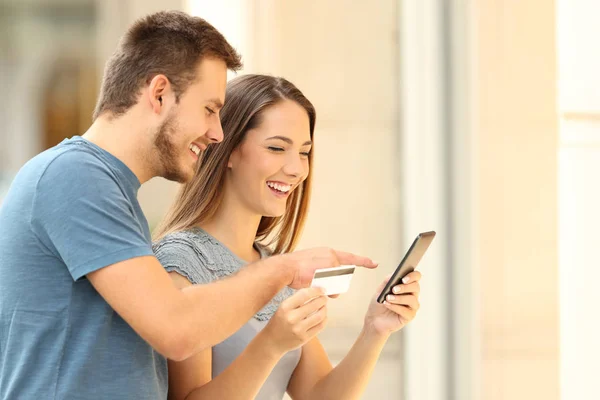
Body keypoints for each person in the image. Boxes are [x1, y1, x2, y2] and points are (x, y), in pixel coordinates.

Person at [0, 11, 376, 400]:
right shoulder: (75, 177)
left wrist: (373, 328)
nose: (216, 133)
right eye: (210, 109)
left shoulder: (109, 191)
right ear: (159, 93)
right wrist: (283, 271)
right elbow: (176, 331)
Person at [153, 74, 422, 400]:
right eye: (277, 148)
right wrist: (270, 344)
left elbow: (319, 396)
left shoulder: (277, 269)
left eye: (304, 152)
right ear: (228, 150)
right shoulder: (181, 261)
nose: (296, 169)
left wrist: (375, 330)